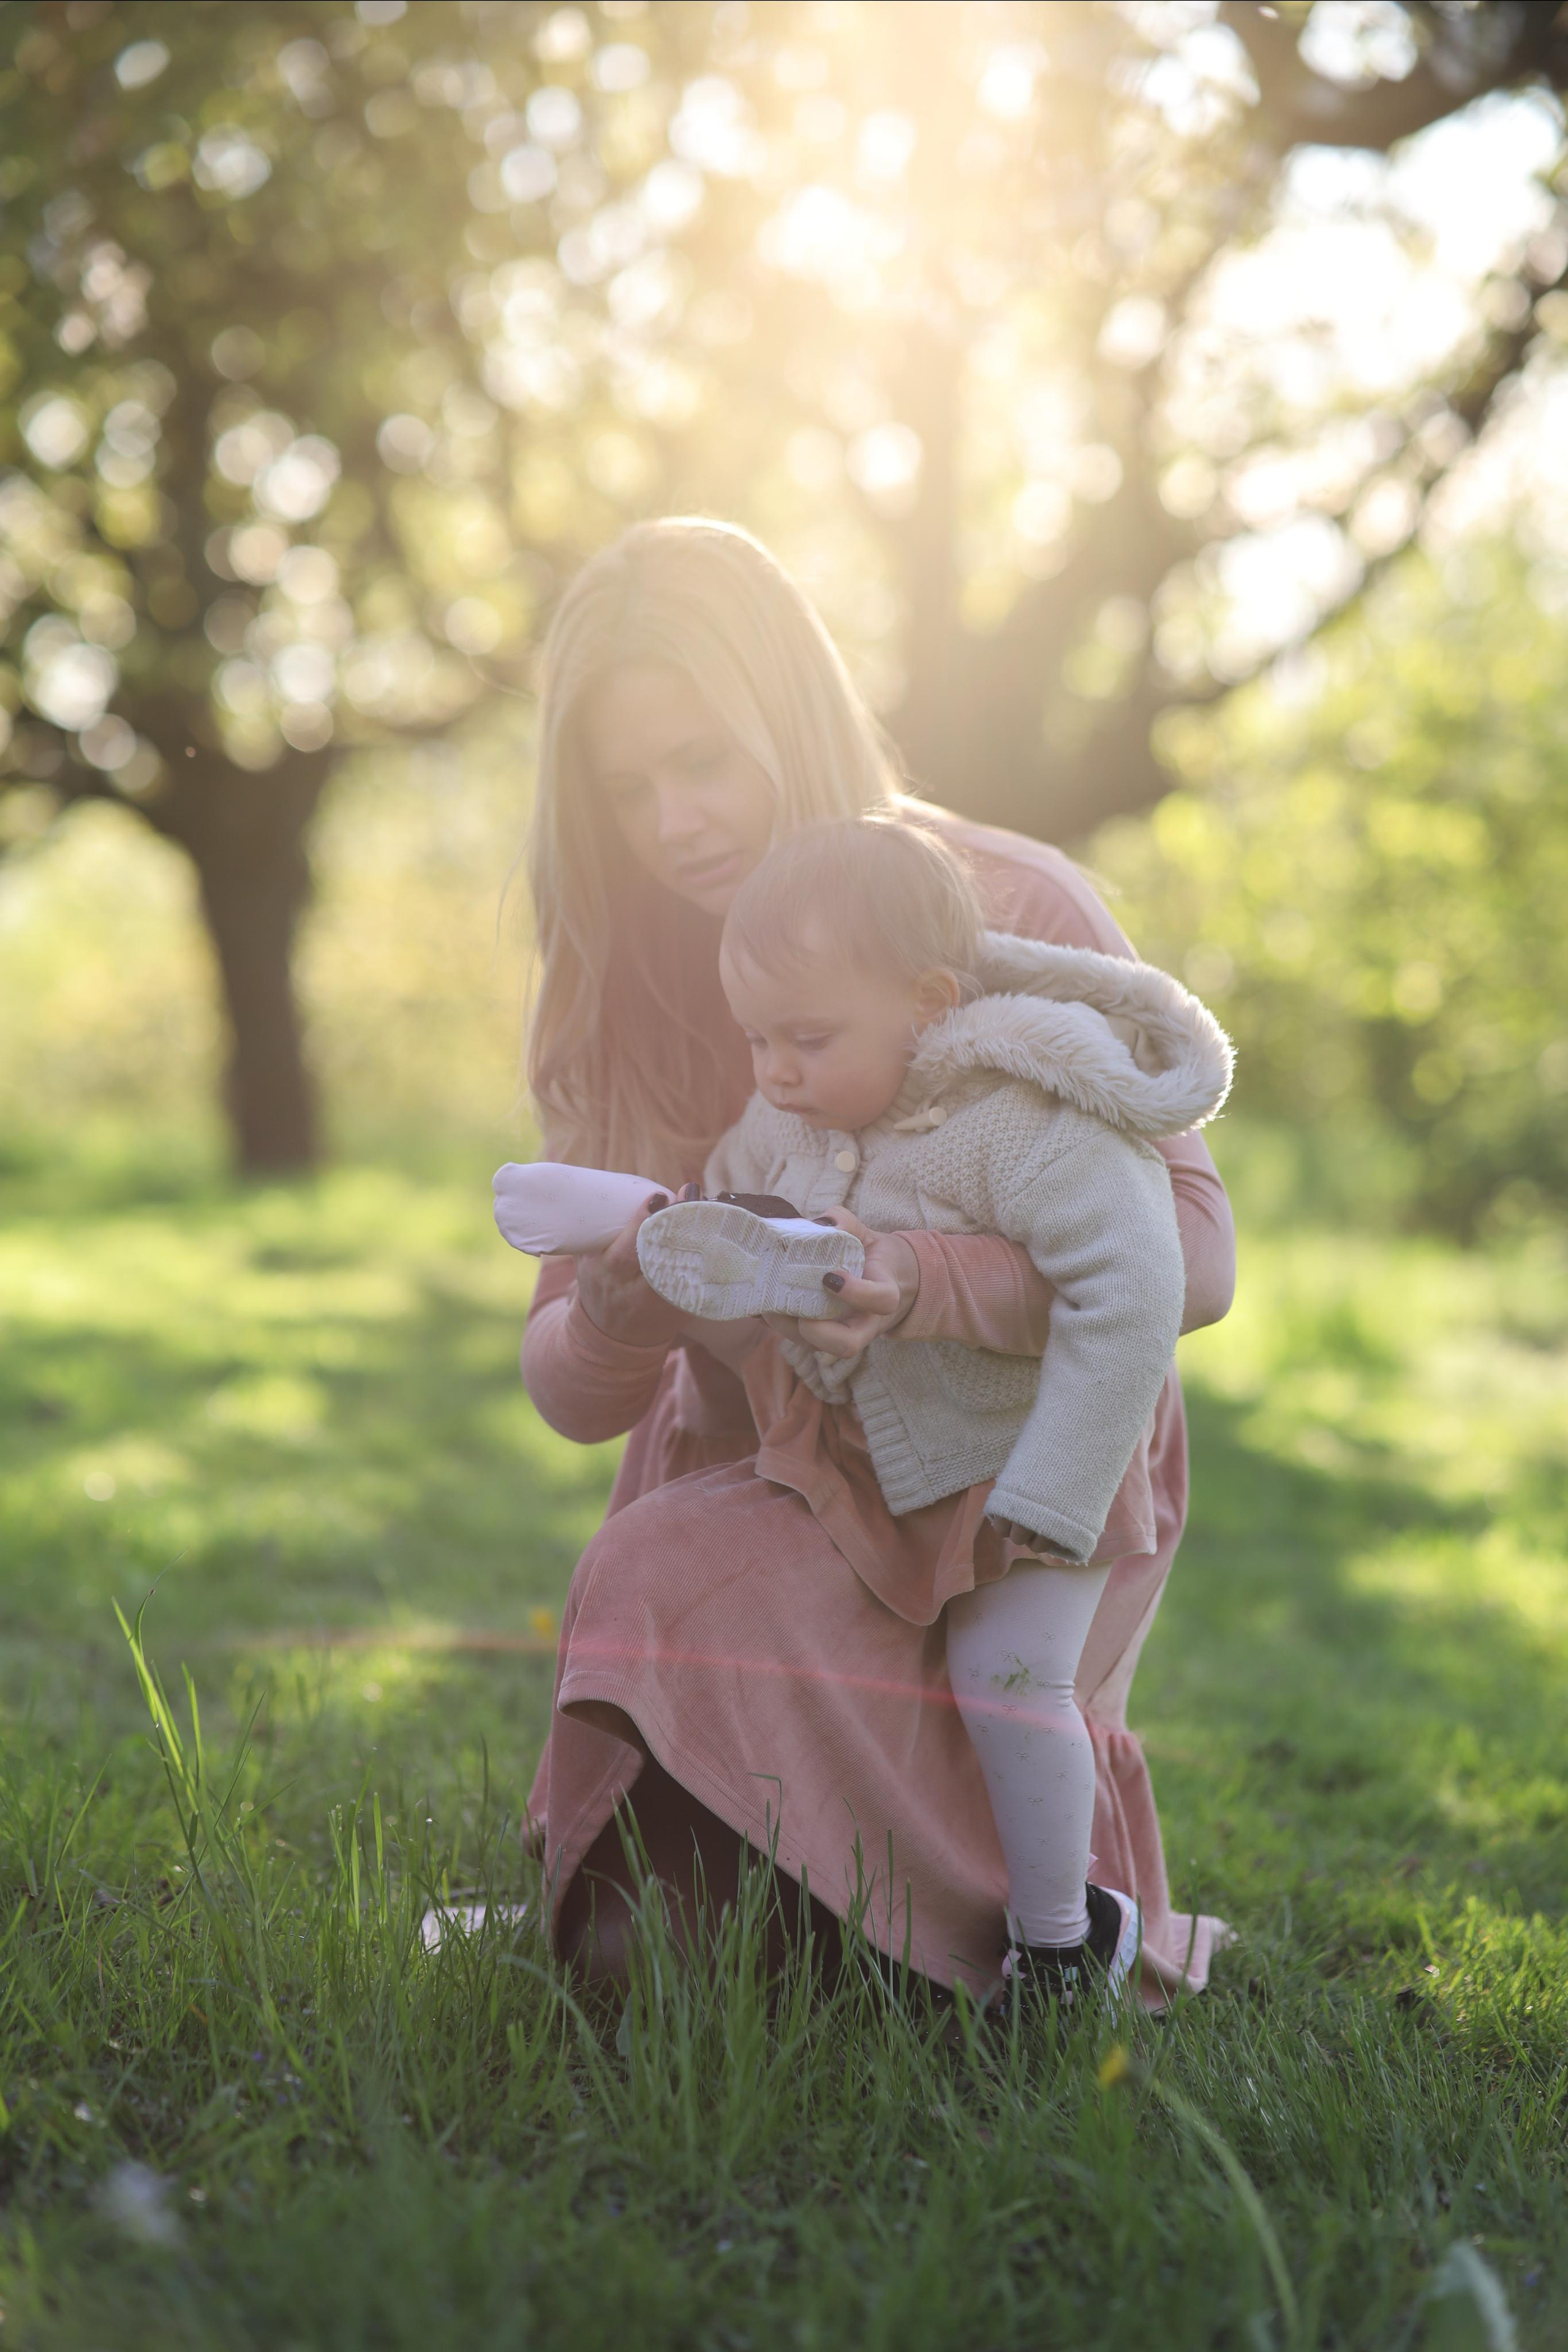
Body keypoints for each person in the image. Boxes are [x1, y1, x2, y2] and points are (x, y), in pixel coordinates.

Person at [507, 516, 1237, 2004]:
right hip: (770, 1468)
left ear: (795, 711)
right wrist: (628, 1290)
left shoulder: (997, 906)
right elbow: (571, 1393)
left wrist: (913, 1278)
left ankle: (1046, 1933)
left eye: (705, 759)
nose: (675, 823)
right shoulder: (626, 972)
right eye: (628, 787)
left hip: (1011, 1468)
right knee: (646, 1965)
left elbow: (1194, 1264)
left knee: (874, 1963)